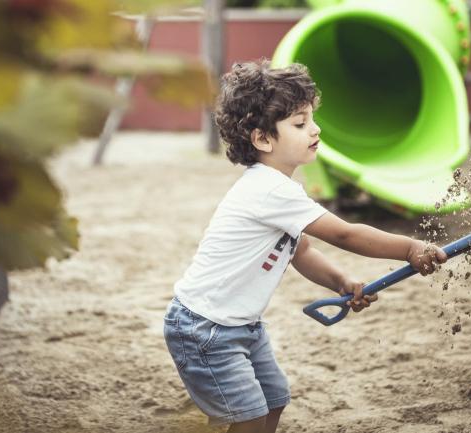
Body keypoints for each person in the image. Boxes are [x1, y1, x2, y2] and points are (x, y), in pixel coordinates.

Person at [163, 59, 447, 433]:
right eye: (299, 123)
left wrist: (341, 283)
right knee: (248, 416)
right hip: (205, 328)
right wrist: (409, 248)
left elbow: (303, 252)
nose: (314, 129)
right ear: (263, 139)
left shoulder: (281, 190)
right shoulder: (268, 190)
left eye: (311, 118)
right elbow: (345, 234)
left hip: (242, 325)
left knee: (275, 399)